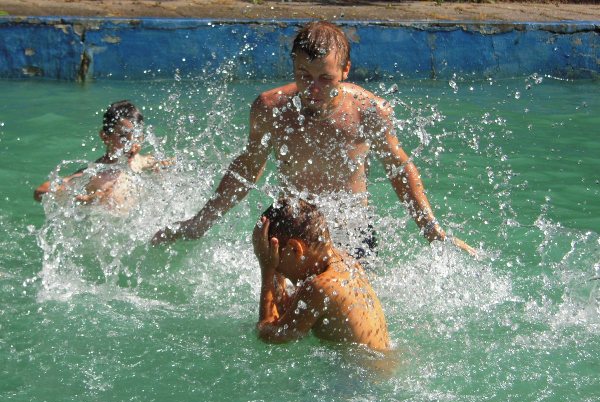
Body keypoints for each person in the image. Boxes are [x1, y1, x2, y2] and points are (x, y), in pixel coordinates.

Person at [153, 21, 476, 257]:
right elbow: (249, 166)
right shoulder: (271, 108)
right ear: (293, 67)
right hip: (290, 225)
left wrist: (432, 230)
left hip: (350, 230)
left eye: (325, 78)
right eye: (304, 76)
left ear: (345, 70)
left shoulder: (369, 111)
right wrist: (201, 222)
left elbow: (399, 168)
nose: (313, 89)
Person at [253, 198, 390, 351]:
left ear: (295, 249)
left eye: (275, 257)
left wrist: (267, 268)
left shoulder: (319, 287)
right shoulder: (347, 262)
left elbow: (272, 336)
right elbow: (285, 310)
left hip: (359, 367)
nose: (276, 267)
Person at [34, 100, 164, 210]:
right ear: (105, 137)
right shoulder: (95, 174)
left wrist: (165, 166)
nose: (131, 144)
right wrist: (84, 200)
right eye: (123, 137)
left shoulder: (142, 161)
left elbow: (167, 164)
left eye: (136, 136)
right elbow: (41, 191)